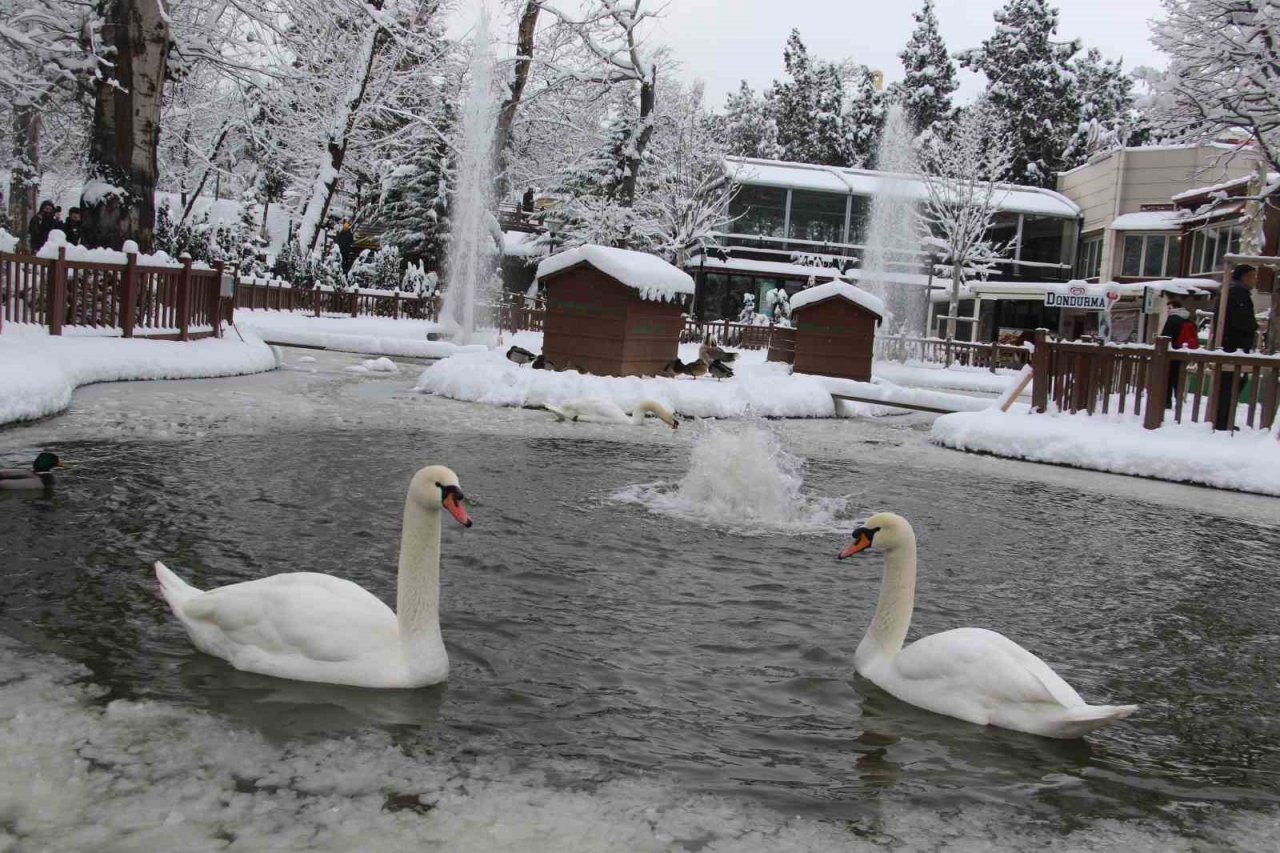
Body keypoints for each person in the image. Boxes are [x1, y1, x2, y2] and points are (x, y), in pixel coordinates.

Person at [1213, 264, 1260, 430]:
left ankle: (1224, 418)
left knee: (1233, 382)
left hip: (1232, 344)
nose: (1255, 280)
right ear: (1244, 277)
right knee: (1230, 383)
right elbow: (1241, 320)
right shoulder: (1237, 294)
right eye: (1253, 276)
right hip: (1234, 346)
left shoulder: (1234, 293)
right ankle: (1222, 419)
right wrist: (1254, 326)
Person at [1159, 298, 1198, 409]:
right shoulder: (1189, 319)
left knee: (1168, 377)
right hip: (1184, 352)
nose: (1168, 310)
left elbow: (1165, 336)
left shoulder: (1172, 319)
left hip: (1171, 353)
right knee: (1179, 378)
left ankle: (1167, 402)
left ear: (1175, 308)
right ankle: (1179, 400)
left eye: (1169, 308)